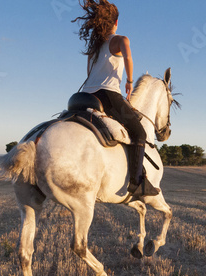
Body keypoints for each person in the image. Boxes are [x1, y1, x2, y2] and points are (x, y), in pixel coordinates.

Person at [72, 0, 160, 196]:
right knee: (139, 133)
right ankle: (137, 182)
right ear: (116, 22)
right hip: (107, 94)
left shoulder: (94, 47)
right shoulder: (121, 39)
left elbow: (88, 72)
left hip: (84, 95)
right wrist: (129, 81)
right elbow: (128, 58)